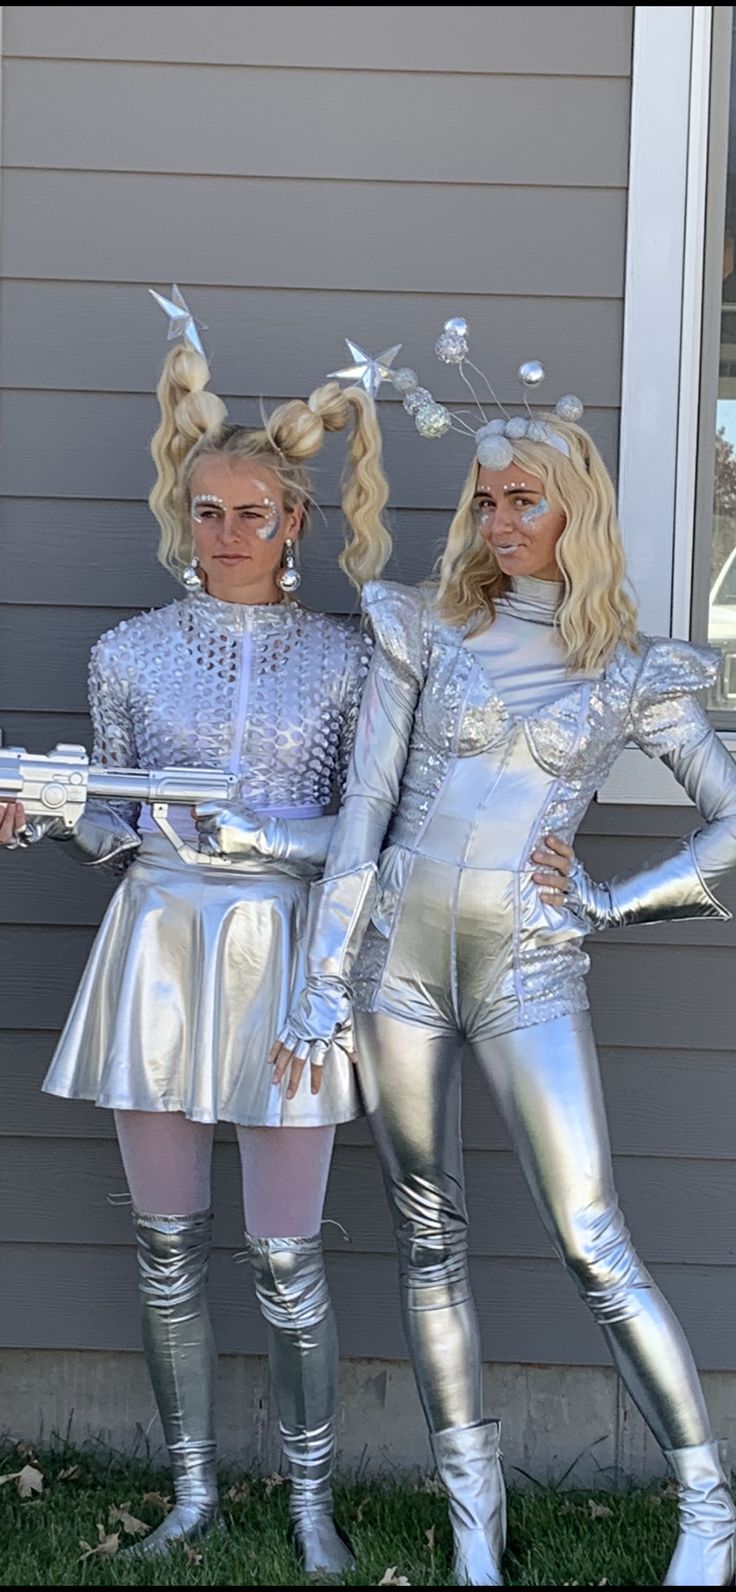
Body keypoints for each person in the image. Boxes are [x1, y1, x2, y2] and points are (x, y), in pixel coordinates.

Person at [273, 342, 736, 1586]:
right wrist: (322, 974)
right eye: (485, 500)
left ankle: (708, 1503)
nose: (499, 519)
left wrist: (610, 899)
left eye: (523, 497)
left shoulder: (632, 669)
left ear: (574, 507)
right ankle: (472, 1520)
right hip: (394, 971)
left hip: (529, 972)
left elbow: (732, 817)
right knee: (430, 1243)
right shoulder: (420, 626)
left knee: (591, 1237)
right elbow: (365, 807)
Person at [0, 331, 392, 1573]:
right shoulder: (127, 653)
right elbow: (116, 836)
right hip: (158, 947)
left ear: (296, 523)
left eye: (254, 513)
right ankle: (189, 1493)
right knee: (167, 1245)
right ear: (184, 514)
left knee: (286, 1255)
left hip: (286, 955)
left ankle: (311, 1501)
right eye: (208, 510)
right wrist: (51, 819)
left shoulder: (347, 661)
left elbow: (373, 831)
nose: (228, 530)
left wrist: (268, 829)